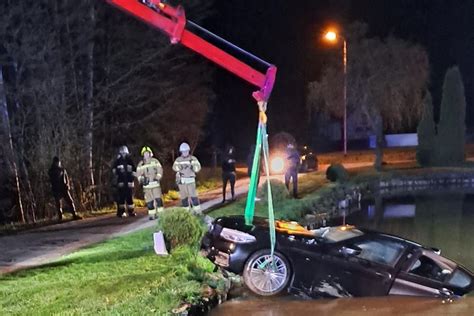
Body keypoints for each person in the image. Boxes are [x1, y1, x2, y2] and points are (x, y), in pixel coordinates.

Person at [172, 142, 202, 214]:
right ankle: (186, 212)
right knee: (184, 198)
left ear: (188, 151)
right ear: (181, 152)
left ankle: (197, 212)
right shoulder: (178, 160)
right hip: (182, 182)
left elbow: (198, 167)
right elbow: (174, 167)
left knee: (194, 197)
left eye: (186, 151)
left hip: (190, 180)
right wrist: (179, 168)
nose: (185, 153)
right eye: (183, 151)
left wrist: (193, 167)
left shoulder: (193, 159)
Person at [136, 146, 164, 220]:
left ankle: (161, 214)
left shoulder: (155, 161)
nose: (146, 155)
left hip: (155, 185)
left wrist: (157, 178)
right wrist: (142, 180)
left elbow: (160, 170)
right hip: (146, 187)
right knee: (149, 202)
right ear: (143, 154)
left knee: (158, 200)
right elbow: (138, 174)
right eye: (145, 153)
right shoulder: (141, 164)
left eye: (147, 153)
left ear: (150, 153)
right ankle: (152, 214)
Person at [111, 146, 136, 218]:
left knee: (129, 198)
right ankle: (121, 212)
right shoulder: (117, 161)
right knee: (121, 198)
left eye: (125, 153)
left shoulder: (130, 161)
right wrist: (116, 179)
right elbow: (114, 172)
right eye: (122, 153)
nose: (123, 155)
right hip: (121, 182)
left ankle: (131, 212)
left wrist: (132, 178)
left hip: (129, 182)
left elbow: (134, 171)